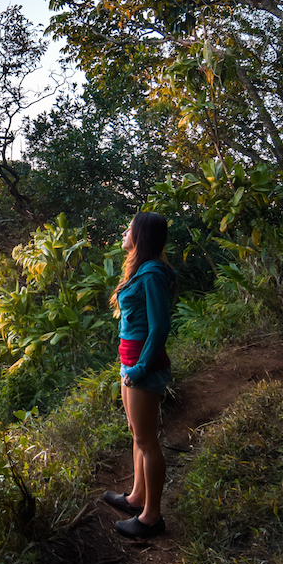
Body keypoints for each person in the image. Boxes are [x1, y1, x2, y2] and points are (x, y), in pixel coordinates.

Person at [102, 211, 174, 539]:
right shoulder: (141, 269)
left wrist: (141, 368)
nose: (124, 231)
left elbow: (159, 327)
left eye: (128, 228)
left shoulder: (152, 273)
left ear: (140, 235)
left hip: (143, 367)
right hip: (130, 364)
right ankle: (136, 497)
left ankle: (151, 517)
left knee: (147, 440)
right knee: (136, 434)